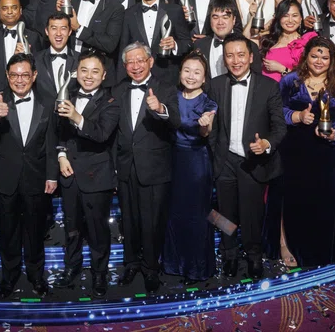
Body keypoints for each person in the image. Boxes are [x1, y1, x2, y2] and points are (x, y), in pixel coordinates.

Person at [268, 36, 335, 268]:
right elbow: (276, 111)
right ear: (306, 57)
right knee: (295, 200)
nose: (319, 61)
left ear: (332, 60)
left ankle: (320, 251)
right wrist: (296, 117)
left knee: (324, 202)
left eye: (324, 57)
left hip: (328, 154)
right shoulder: (290, 81)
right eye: (314, 55)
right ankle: (290, 247)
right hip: (294, 151)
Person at [209, 33, 286, 281]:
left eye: (241, 54)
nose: (235, 60)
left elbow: (279, 127)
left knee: (252, 214)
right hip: (225, 161)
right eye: (229, 55)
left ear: (251, 57)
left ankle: (254, 257)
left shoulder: (269, 86)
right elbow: (211, 126)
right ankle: (229, 255)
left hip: (253, 161)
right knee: (224, 213)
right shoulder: (216, 84)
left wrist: (266, 145)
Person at [0, 53, 58, 298]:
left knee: (35, 231)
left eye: (24, 75)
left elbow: (51, 144)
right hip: (6, 178)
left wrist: (52, 176)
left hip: (37, 178)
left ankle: (36, 275)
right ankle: (8, 276)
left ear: (34, 76)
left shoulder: (48, 102)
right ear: (7, 76)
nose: (19, 80)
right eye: (14, 75)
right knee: (7, 232)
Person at [112, 43, 181, 293]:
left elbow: (176, 120)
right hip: (125, 166)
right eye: (130, 62)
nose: (136, 66)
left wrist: (159, 109)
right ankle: (131, 263)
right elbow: (114, 132)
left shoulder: (166, 87)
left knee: (152, 222)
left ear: (150, 61)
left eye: (140, 60)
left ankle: (151, 268)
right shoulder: (118, 90)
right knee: (128, 220)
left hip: (154, 167)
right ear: (124, 66)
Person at [52, 50, 121, 297]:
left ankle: (99, 273)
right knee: (72, 227)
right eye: (83, 70)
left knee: (97, 229)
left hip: (97, 177)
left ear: (103, 75)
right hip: (69, 175)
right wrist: (60, 157)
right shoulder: (66, 96)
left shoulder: (112, 102)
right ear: (76, 73)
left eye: (94, 71)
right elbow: (59, 134)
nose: (88, 76)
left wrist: (76, 116)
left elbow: (102, 134)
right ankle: (72, 268)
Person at [162, 52, 217, 282]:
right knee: (174, 214)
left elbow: (206, 132)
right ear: (180, 72)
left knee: (196, 216)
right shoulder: (172, 97)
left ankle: (196, 268)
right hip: (173, 160)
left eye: (197, 72)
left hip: (196, 163)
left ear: (204, 78)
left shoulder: (208, 102)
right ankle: (174, 265)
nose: (191, 76)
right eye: (187, 70)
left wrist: (204, 126)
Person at [117, 0, 191, 81]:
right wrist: (120, 85)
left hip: (167, 79)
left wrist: (175, 45)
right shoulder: (128, 14)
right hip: (137, 77)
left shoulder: (175, 11)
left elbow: (187, 43)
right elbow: (123, 50)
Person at [260, 0, 318, 82]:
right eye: (285, 16)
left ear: (301, 18)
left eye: (294, 16)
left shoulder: (307, 41)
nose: (290, 20)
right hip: (267, 91)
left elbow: (311, 77)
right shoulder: (268, 40)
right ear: (279, 18)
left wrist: (283, 69)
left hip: (290, 92)